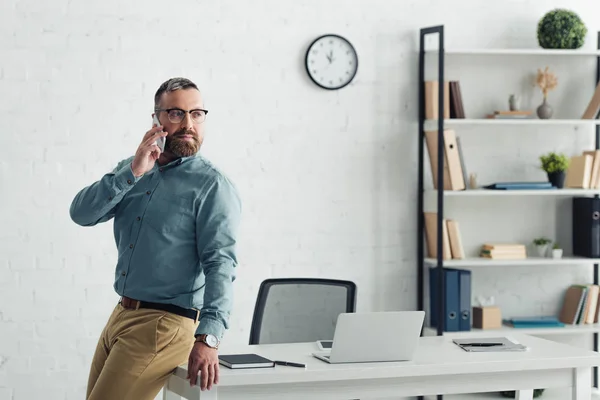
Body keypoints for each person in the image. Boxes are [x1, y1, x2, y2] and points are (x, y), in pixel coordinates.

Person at [69, 77, 242, 400]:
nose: (188, 124)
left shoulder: (212, 185)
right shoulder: (135, 169)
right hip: (121, 315)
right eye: (176, 114)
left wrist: (208, 338)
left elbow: (221, 263)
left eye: (197, 114)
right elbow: (82, 214)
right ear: (156, 120)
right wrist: (133, 171)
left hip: (165, 324)